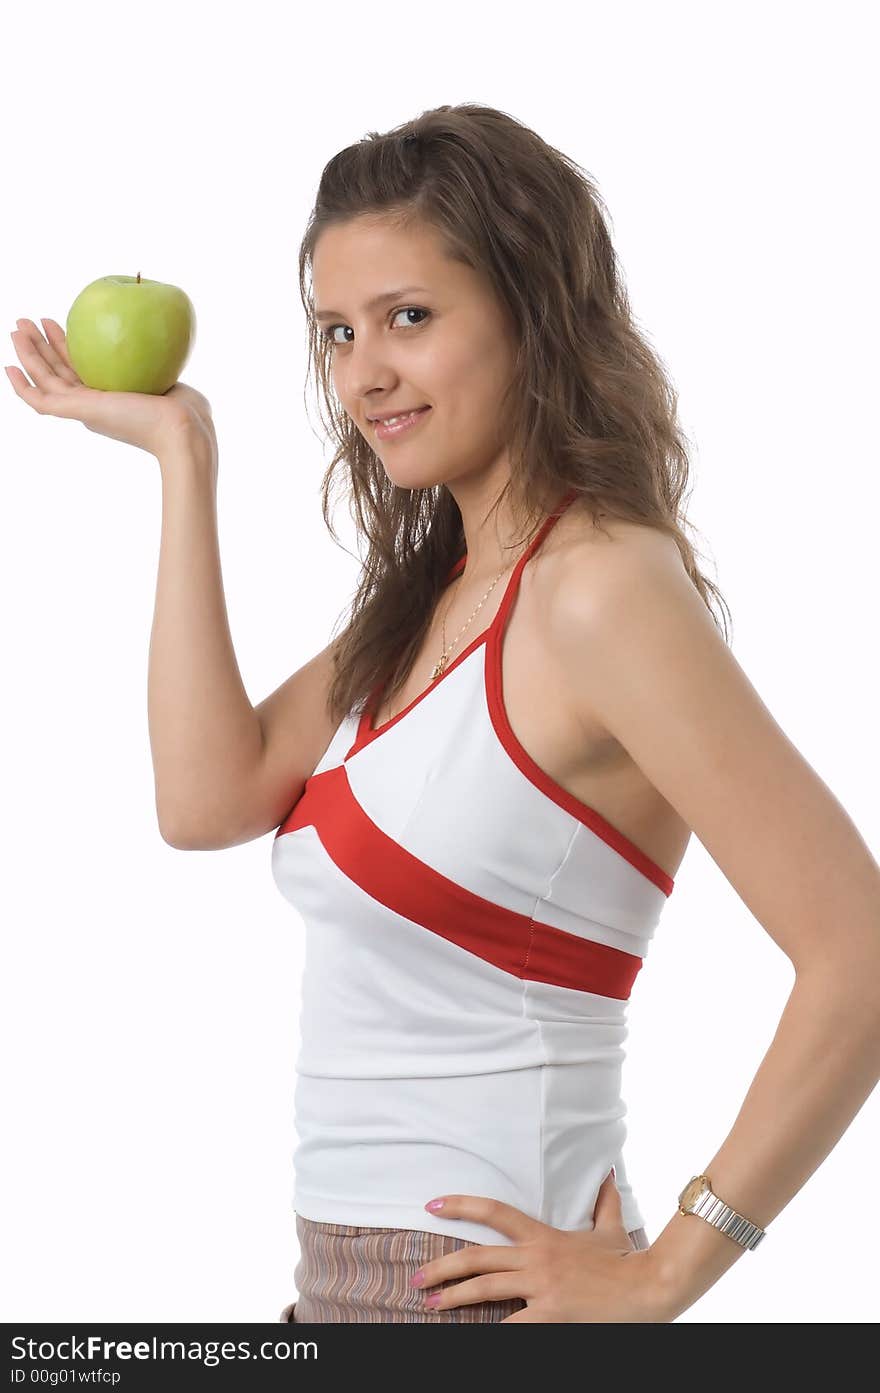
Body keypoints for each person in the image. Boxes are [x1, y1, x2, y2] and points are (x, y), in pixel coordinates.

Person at [8, 103, 880, 1325]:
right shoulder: (434, 597)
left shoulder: (599, 590)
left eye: (409, 317)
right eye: (337, 331)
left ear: (532, 312)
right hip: (341, 1289)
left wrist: (670, 1270)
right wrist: (182, 455)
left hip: (482, 1300)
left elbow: (861, 951)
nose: (364, 373)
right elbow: (204, 801)